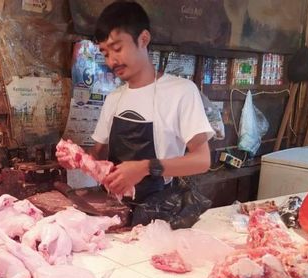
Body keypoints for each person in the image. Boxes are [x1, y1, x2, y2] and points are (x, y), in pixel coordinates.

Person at [57, 1, 214, 219]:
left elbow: (202, 160)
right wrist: (76, 159)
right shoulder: (114, 98)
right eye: (104, 53)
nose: (112, 60)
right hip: (113, 210)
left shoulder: (181, 92)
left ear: (143, 39)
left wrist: (144, 168)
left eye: (117, 48)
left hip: (158, 212)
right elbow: (97, 155)